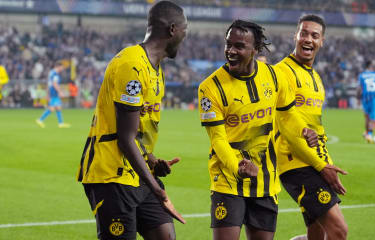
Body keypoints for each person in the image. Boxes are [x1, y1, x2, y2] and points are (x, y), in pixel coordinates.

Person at [198, 19, 318, 240]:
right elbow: (218, 139)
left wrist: (303, 130)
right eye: (228, 44)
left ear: (255, 49)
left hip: (266, 183)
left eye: (239, 46)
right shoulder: (210, 88)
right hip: (228, 180)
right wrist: (237, 167)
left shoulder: (273, 76)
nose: (231, 51)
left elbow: (289, 113)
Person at [77, 1, 187, 239]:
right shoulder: (132, 65)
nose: (185, 37)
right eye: (184, 30)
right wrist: (156, 187)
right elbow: (125, 139)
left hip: (137, 172)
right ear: (172, 30)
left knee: (165, 236)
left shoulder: (156, 69)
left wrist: (151, 160)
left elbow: (136, 133)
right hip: (111, 174)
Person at [274, 15, 348, 240]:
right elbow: (286, 125)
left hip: (315, 161)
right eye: (303, 33)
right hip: (294, 162)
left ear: (322, 41)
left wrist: (327, 162)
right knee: (338, 231)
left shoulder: (316, 78)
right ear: (295, 36)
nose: (308, 39)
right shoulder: (281, 72)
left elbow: (317, 127)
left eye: (314, 35)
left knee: (317, 232)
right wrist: (320, 166)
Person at [36, 61, 71, 128]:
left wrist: (47, 93)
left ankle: (61, 123)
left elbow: (49, 83)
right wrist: (60, 92)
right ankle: (40, 120)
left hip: (51, 92)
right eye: (62, 67)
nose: (62, 69)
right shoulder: (55, 74)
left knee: (58, 108)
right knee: (52, 108)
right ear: (58, 67)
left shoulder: (51, 72)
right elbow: (54, 84)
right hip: (54, 92)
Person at [358, 60, 375, 143]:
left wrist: (358, 99)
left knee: (367, 118)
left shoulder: (361, 75)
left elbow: (359, 88)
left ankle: (367, 133)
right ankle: (369, 135)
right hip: (374, 98)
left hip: (365, 98)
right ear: (371, 66)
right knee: (373, 118)